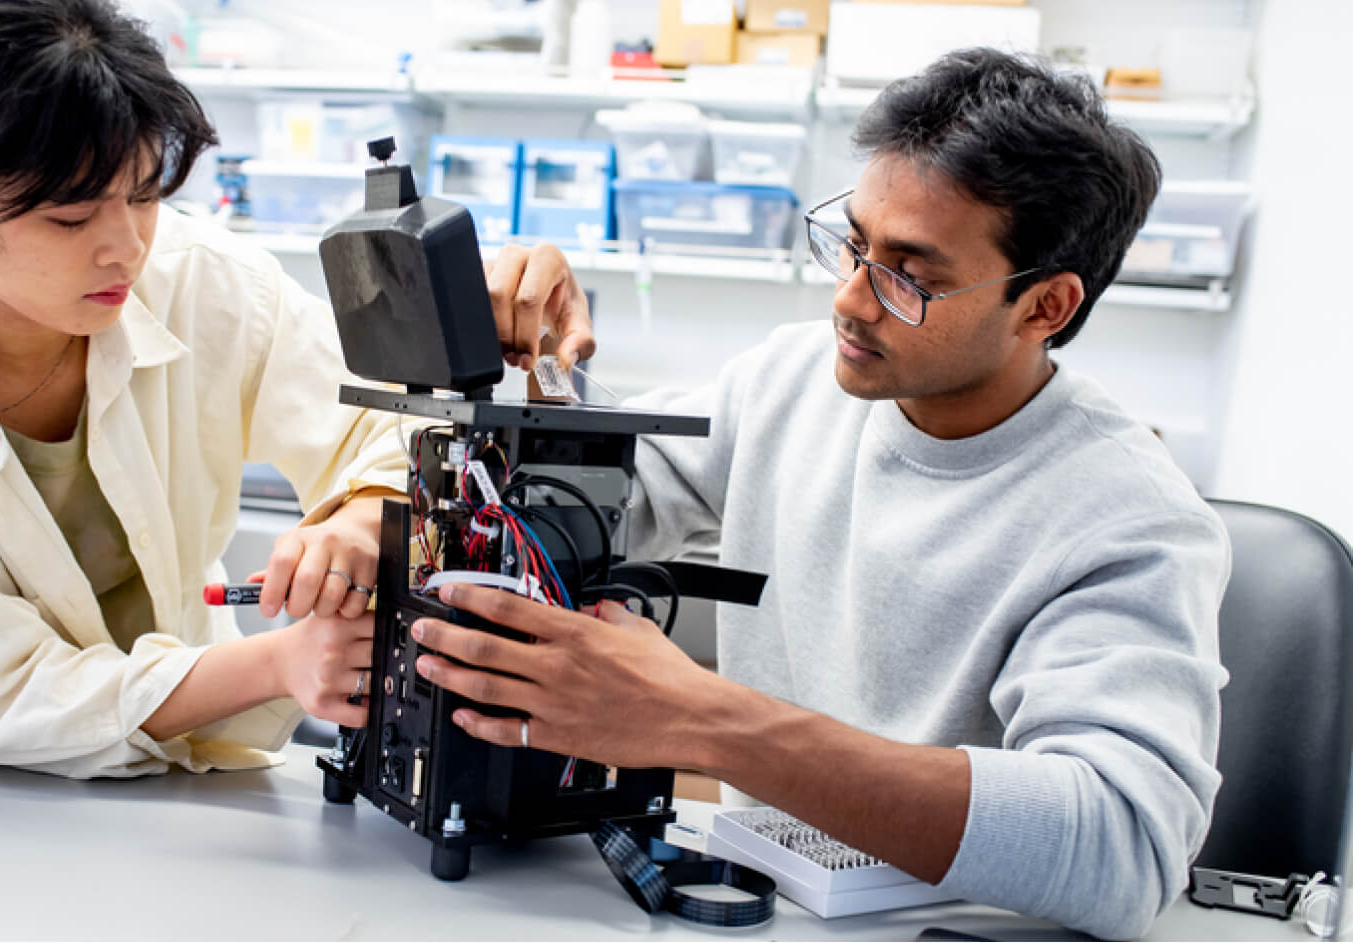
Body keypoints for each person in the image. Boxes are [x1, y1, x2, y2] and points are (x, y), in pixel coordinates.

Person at [422, 49, 1230, 939]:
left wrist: (706, 721)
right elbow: (576, 500)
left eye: (909, 276)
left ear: (1044, 306)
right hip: (754, 906)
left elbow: (1123, 845)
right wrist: (521, 362)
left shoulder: (1126, 516)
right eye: (853, 244)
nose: (849, 301)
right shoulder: (792, 380)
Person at [0, 0, 588, 780]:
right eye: (69, 217)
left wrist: (360, 515)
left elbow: (381, 430)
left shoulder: (200, 280)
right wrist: (275, 661)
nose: (124, 247)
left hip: (207, 779)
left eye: (145, 193)